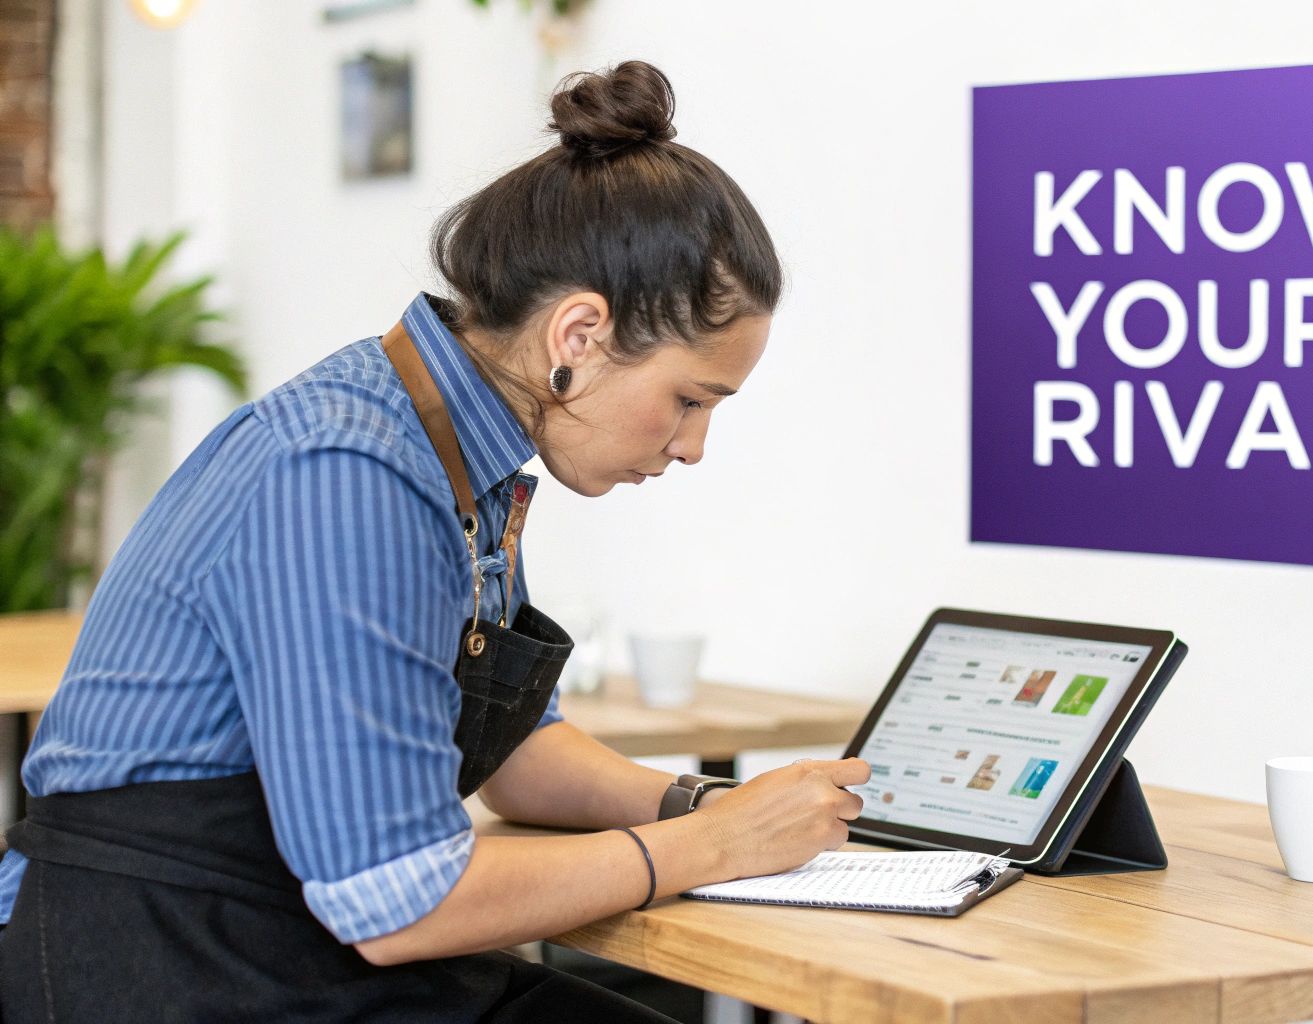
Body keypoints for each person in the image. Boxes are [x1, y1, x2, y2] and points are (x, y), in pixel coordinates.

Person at [0, 60, 869, 1022]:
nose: (694, 445)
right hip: (160, 962)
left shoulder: (463, 451)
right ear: (579, 334)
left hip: (276, 936)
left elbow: (516, 752)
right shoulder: (346, 474)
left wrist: (700, 807)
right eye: (690, 399)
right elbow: (393, 898)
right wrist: (717, 847)